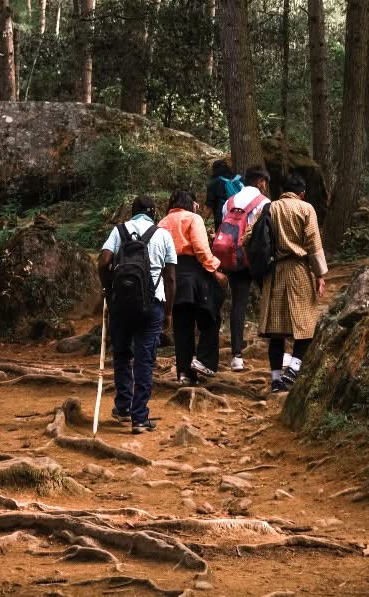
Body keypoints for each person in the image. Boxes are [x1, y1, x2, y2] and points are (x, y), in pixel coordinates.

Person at [97, 196, 176, 434]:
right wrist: (169, 312)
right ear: (153, 212)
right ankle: (140, 417)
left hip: (121, 303)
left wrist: (107, 289)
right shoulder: (162, 234)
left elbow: (103, 262)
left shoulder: (118, 231)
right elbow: (171, 277)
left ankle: (122, 408)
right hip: (152, 305)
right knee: (144, 359)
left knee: (121, 354)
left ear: (132, 212)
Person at [246, 173, 327, 394]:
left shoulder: (269, 208)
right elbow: (313, 243)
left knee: (276, 331)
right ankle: (294, 368)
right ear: (301, 193)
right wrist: (320, 275)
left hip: (274, 274)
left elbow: (247, 237)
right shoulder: (305, 208)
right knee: (306, 325)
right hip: (299, 271)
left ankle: (275, 380)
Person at [158, 190, 227, 385]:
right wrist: (215, 271)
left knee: (182, 327)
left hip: (172, 277)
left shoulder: (162, 223)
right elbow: (200, 249)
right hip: (195, 274)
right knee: (210, 317)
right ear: (190, 203)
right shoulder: (192, 218)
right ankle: (204, 360)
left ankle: (185, 374)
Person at [211, 165, 271, 372]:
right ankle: (276, 349)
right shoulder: (264, 203)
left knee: (239, 305)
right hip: (257, 259)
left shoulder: (229, 202)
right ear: (261, 182)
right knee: (270, 300)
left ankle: (236, 356)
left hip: (235, 259)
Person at [206, 158, 241, 232]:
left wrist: (204, 220)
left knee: (223, 240)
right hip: (240, 215)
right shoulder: (238, 178)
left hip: (222, 218)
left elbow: (209, 205)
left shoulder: (214, 182)